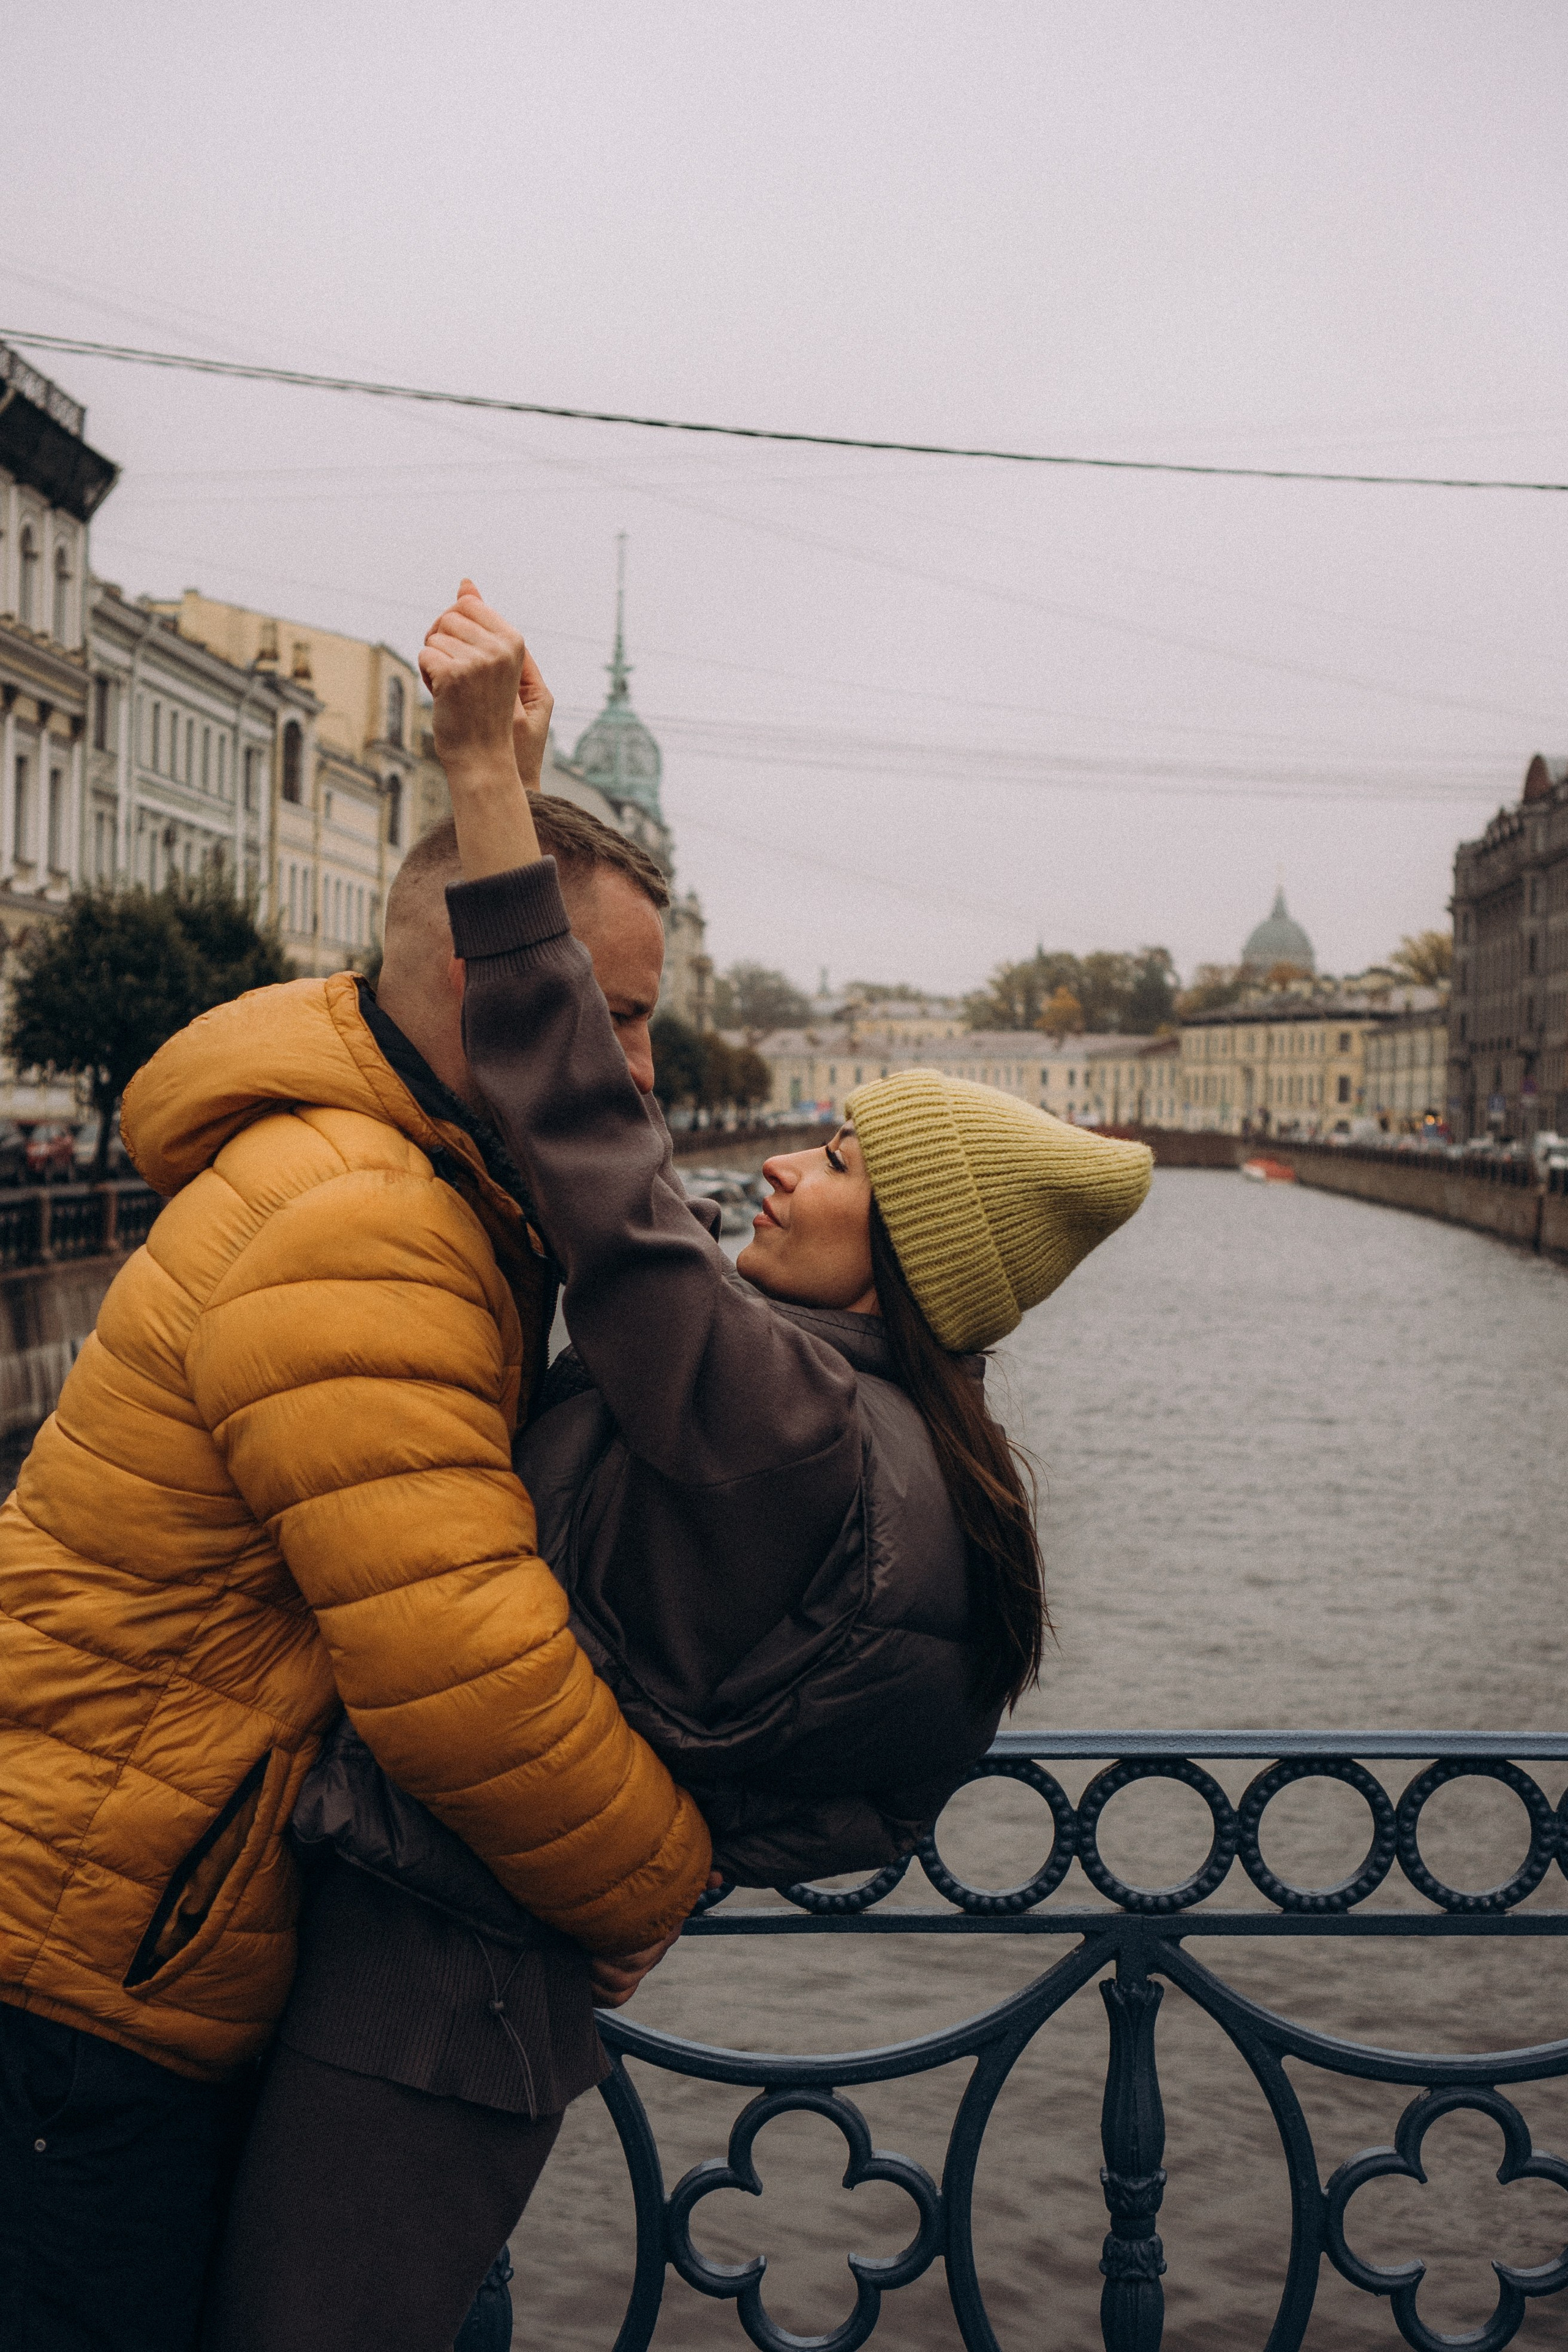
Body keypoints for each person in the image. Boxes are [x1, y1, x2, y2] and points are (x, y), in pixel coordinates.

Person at [269, 583, 1152, 2348]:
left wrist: (489, 797)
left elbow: (591, 1149)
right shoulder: (886, 1437)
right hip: (488, 1980)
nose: (783, 1175)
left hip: (419, 1984)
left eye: (835, 1160)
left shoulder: (787, 1421)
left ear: (900, 1244)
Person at [0, 716, 712, 2351]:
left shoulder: (398, 1181)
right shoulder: (369, 1220)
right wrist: (661, 1879)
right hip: (83, 1973)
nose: (653, 1073)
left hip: (97, 1919)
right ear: (494, 994)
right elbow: (456, 1663)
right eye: (619, 1020)